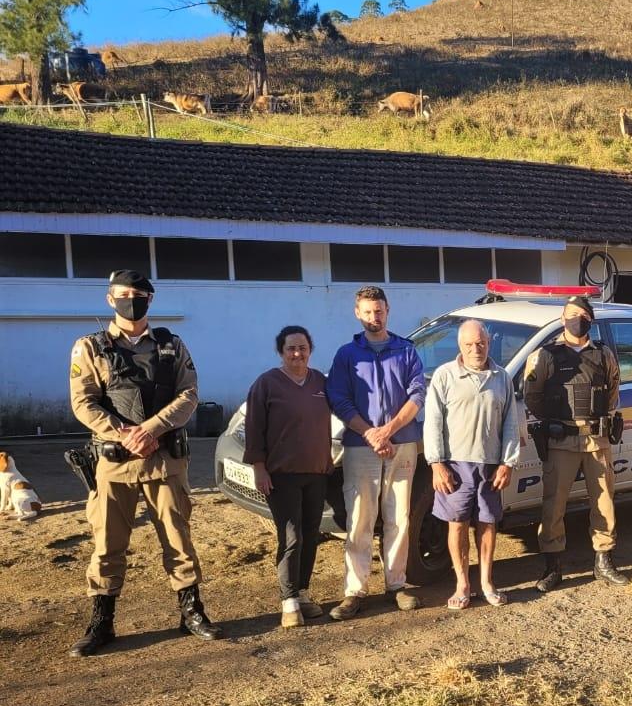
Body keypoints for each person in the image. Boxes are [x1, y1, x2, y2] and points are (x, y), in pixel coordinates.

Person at [67, 269, 221, 657]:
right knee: (107, 544)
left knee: (178, 539)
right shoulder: (90, 347)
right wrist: (125, 433)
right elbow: (83, 402)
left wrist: (150, 430)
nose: (130, 300)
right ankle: (102, 622)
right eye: (123, 294)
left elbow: (189, 395)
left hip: (164, 460)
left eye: (138, 295)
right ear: (110, 299)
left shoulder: (172, 345)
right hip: (114, 463)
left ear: (150, 300)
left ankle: (191, 613)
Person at [325, 286, 426, 620]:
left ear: (388, 310)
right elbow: (338, 398)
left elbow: (417, 394)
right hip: (361, 445)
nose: (374, 317)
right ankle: (354, 590)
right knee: (360, 519)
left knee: (399, 517)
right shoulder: (346, 355)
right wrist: (370, 432)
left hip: (402, 443)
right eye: (367, 312)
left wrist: (389, 430)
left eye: (379, 311)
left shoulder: (407, 351)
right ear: (357, 313)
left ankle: (397, 584)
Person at [523, 295, 628, 590]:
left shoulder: (603, 354)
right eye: (571, 314)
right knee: (553, 504)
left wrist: (600, 419)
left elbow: (613, 389)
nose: (576, 320)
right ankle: (552, 567)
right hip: (561, 439)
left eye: (582, 315)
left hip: (596, 439)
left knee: (604, 501)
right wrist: (553, 421)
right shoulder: (545, 355)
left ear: (590, 320)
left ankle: (604, 561)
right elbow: (533, 394)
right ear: (562, 319)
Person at [424, 320, 521, 609]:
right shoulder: (444, 376)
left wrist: (508, 463)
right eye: (469, 345)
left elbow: (511, 423)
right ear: (460, 346)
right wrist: (436, 464)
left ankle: (487, 583)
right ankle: (462, 584)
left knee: (488, 523)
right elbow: (432, 424)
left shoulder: (501, 377)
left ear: (488, 343)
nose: (475, 349)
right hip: (454, 465)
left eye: (480, 343)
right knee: (457, 525)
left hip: (490, 465)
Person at [243, 325, 334, 629]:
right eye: (291, 348)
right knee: (291, 536)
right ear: (280, 352)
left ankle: (304, 592)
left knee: (310, 534)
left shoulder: (321, 382)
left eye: (303, 348)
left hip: (316, 471)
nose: (297, 353)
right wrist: (258, 467)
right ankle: (289, 600)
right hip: (281, 475)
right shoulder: (267, 384)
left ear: (311, 349)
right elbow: (254, 428)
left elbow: (345, 407)